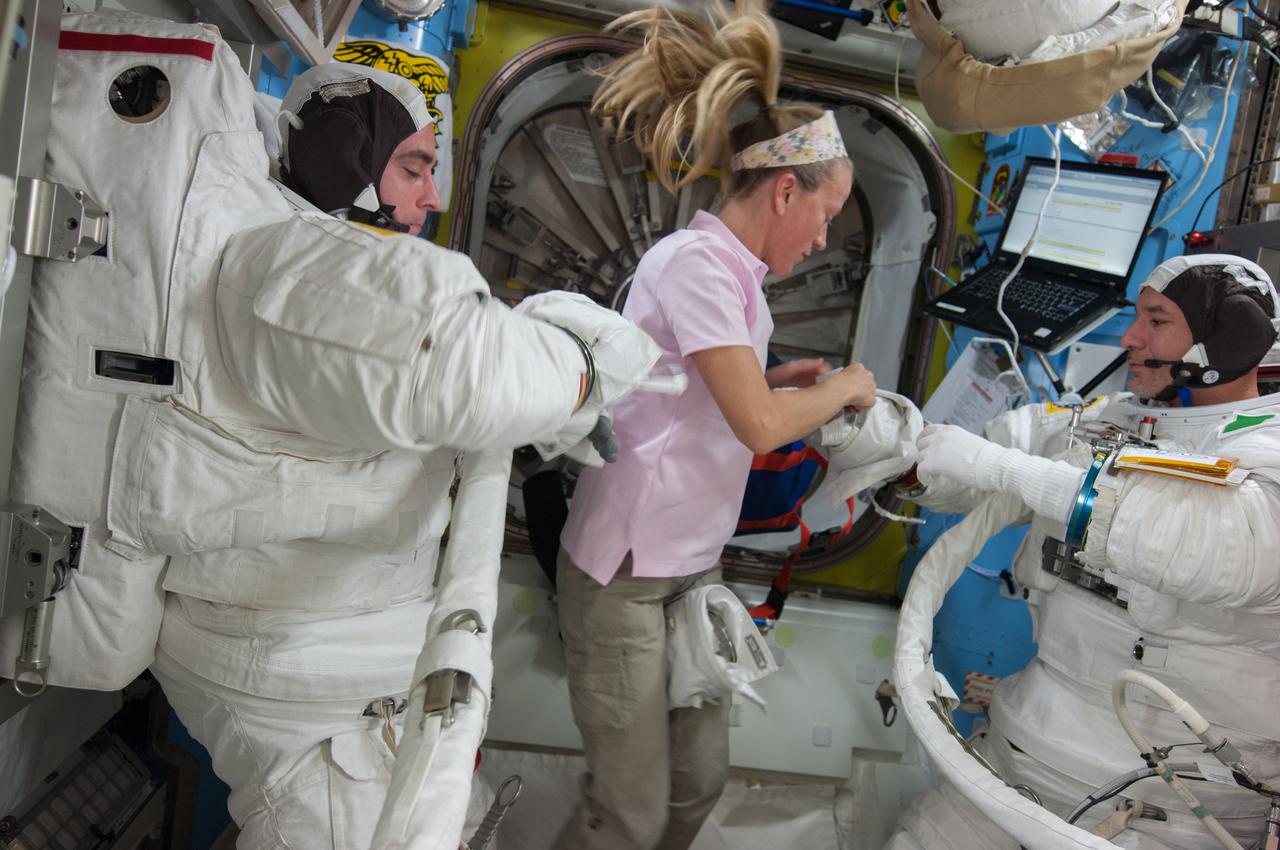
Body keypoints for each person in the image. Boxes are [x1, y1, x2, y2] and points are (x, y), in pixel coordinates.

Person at [0, 17, 657, 850]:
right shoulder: (282, 273)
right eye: (414, 166)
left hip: (345, 699)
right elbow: (450, 359)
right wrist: (593, 373)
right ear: (348, 152)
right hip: (324, 722)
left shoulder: (302, 274)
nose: (433, 198)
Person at [551, 4, 879, 849]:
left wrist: (781, 379)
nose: (823, 236)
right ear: (784, 190)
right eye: (827, 214)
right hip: (625, 576)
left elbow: (699, 392)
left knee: (697, 787)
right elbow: (760, 427)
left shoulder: (736, 279)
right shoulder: (696, 264)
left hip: (687, 570)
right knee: (626, 812)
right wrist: (841, 386)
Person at [883, 254, 1280, 849]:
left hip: (1167, 813)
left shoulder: (1264, 449)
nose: (1131, 337)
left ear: (1227, 339)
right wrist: (886, 448)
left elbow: (1217, 553)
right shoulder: (1106, 423)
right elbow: (973, 462)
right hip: (1016, 762)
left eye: (1157, 320)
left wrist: (1010, 470)